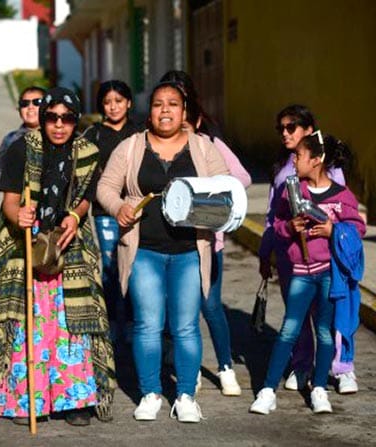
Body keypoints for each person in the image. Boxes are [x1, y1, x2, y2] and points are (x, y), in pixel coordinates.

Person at [0, 87, 116, 428]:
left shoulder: (87, 152)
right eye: (52, 118)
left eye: (67, 119)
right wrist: (19, 215)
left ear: (76, 121)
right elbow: (10, 201)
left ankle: (75, 400)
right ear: (43, 118)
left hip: (68, 247)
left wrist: (75, 216)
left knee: (73, 324)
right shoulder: (22, 148)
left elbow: (85, 198)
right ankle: (25, 399)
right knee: (26, 325)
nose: (59, 125)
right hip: (25, 246)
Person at [96, 81, 229, 423]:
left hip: (189, 251)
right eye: (158, 104)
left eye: (172, 104)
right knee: (147, 324)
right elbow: (106, 186)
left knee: (186, 326)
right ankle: (150, 393)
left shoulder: (202, 147)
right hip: (144, 252)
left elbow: (226, 187)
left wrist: (212, 209)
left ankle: (185, 396)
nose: (165, 110)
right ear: (149, 111)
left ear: (184, 112)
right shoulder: (130, 147)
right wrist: (118, 208)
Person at [250, 132, 364, 415]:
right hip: (300, 272)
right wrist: (290, 228)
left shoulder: (341, 196)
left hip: (328, 274)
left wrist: (333, 230)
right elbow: (276, 224)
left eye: (299, 156)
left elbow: (357, 229)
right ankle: (267, 390)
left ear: (316, 160)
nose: (294, 161)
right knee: (289, 330)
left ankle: (320, 389)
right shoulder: (292, 191)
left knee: (325, 333)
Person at [159, 70, 251, 396]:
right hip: (174, 243)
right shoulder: (159, 148)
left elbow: (242, 178)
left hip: (210, 243)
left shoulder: (211, 145)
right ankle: (191, 369)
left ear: (195, 120)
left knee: (210, 307)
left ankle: (226, 368)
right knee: (183, 311)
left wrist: (209, 190)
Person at [257, 105, 348, 393]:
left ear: (309, 130)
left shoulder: (329, 167)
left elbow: (342, 210)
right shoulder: (281, 168)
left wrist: (335, 235)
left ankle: (340, 367)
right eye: (280, 128)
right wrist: (265, 252)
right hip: (289, 254)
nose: (284, 133)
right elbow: (272, 216)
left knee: (328, 315)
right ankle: (302, 364)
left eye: (291, 127)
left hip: (323, 257)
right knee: (296, 317)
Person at [82, 80, 141, 344]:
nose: (113, 107)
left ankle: (134, 321)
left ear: (129, 103)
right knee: (110, 268)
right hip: (105, 212)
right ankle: (111, 325)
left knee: (135, 265)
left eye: (118, 101)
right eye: (107, 102)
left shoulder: (140, 133)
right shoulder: (92, 134)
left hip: (137, 211)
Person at [0, 86, 46, 188]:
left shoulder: (56, 138)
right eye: (24, 103)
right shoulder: (11, 139)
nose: (30, 107)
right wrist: (11, 185)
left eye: (37, 102)